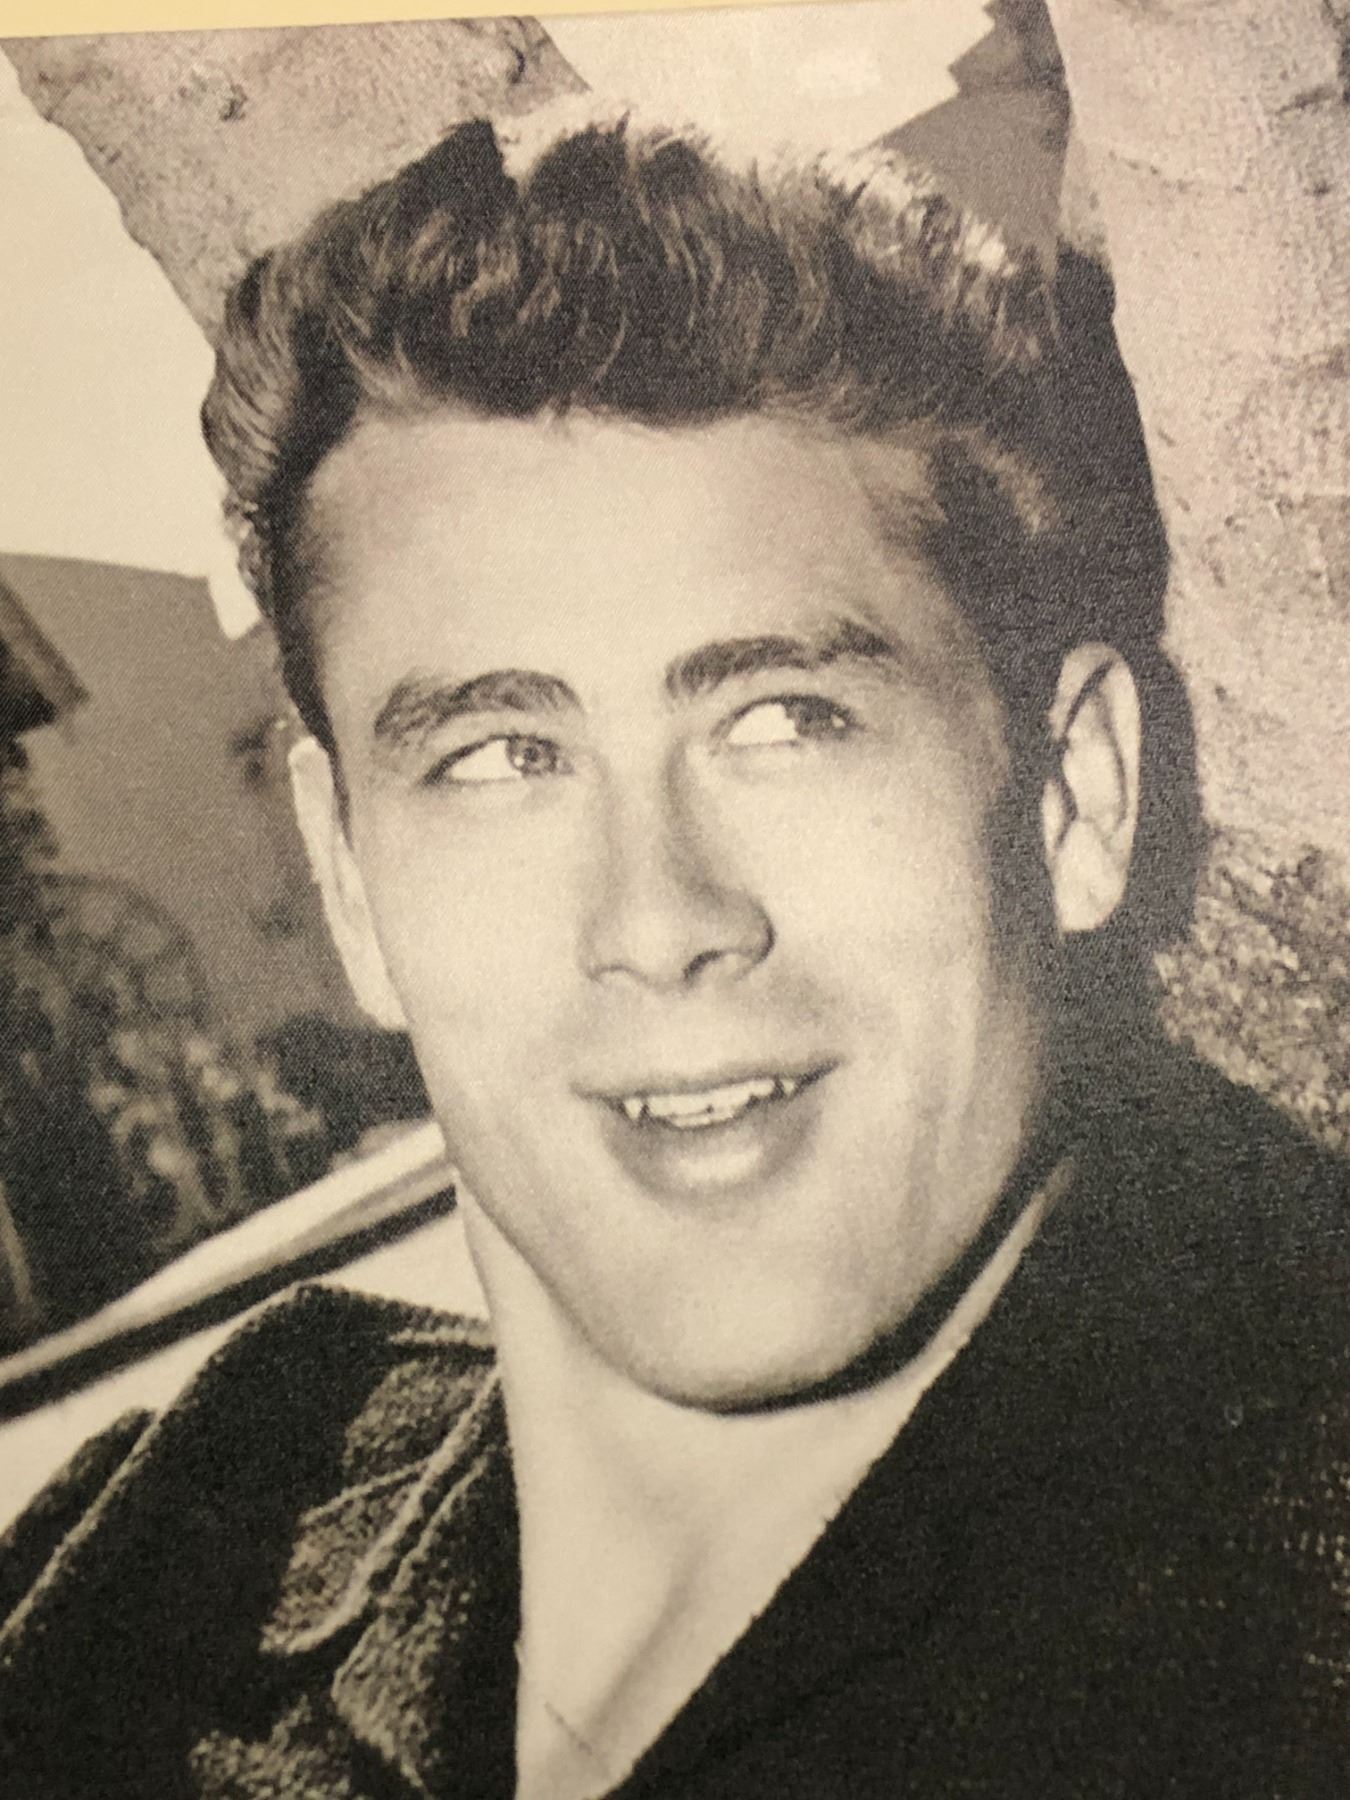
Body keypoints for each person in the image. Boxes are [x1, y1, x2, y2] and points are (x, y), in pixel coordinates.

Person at [0, 115, 1345, 1799]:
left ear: (1075, 793)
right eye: (499, 755)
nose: (657, 920)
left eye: (785, 719)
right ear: (345, 877)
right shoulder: (167, 1551)